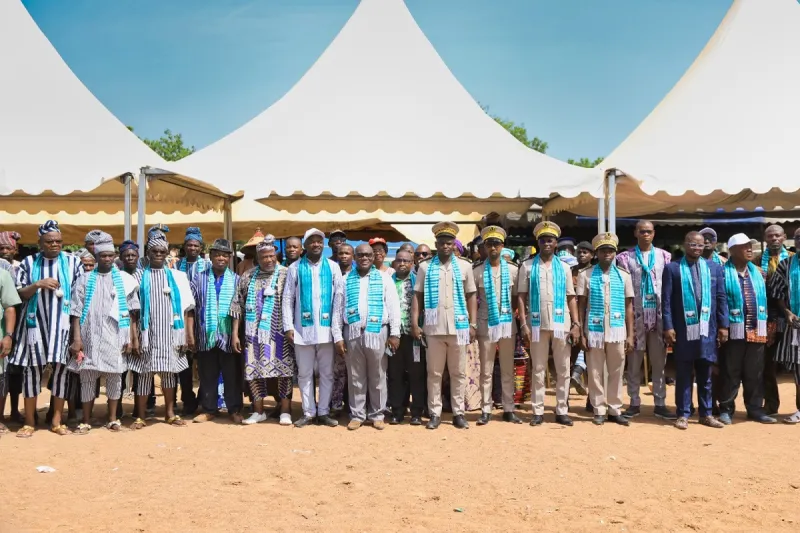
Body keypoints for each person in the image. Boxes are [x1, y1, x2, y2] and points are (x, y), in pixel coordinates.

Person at [10, 220, 82, 438]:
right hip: (34, 327)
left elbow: (78, 301)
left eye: (59, 241)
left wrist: (77, 335)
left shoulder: (73, 262)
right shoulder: (28, 263)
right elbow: (19, 294)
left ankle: (56, 421)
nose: (55, 245)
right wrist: (38, 284)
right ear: (40, 243)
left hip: (62, 329)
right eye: (49, 241)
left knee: (61, 374)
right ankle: (30, 421)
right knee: (31, 372)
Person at [68, 232, 138, 433]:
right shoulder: (84, 279)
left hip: (116, 335)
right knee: (88, 377)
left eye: (110, 255)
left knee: (115, 377)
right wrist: (77, 338)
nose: (107, 259)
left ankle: (113, 418)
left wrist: (131, 337)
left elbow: (132, 311)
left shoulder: (124, 279)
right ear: (96, 257)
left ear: (114, 255)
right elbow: (75, 311)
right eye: (102, 256)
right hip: (89, 336)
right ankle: (86, 420)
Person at [411, 221, 477, 430]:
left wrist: (473, 323)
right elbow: (417, 296)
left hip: (459, 328)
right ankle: (435, 413)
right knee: (434, 373)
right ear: (436, 244)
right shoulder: (424, 267)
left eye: (449, 243)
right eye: (442, 243)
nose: (445, 246)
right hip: (433, 328)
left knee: (458, 372)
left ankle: (458, 413)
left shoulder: (466, 266)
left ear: (454, 244)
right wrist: (415, 323)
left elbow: (471, 295)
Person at [128, 229, 196, 429]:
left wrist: (186, 335)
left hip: (171, 334)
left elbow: (186, 308)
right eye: (154, 251)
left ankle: (169, 413)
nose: (158, 254)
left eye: (162, 252)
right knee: (144, 374)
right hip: (146, 334)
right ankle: (140, 416)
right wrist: (134, 338)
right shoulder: (138, 276)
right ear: (148, 254)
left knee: (169, 374)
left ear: (167, 253)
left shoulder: (177, 276)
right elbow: (132, 310)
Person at [663, 231, 729, 430]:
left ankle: (706, 413)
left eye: (701, 245)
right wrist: (668, 326)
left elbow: (721, 298)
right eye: (693, 244)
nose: (697, 248)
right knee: (683, 372)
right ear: (685, 244)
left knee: (706, 372)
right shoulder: (672, 269)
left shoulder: (715, 268)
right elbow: (666, 301)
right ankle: (683, 413)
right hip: (683, 329)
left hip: (707, 329)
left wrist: (724, 325)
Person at [332, 244, 400, 430]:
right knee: (355, 376)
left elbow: (394, 307)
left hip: (378, 332)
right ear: (354, 257)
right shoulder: (345, 280)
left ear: (373, 257)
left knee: (378, 374)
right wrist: (338, 336)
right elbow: (337, 310)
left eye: (368, 255)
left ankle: (377, 414)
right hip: (352, 333)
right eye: (360, 255)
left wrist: (395, 334)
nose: (364, 258)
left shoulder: (385, 279)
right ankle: (357, 414)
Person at [518, 222, 579, 426]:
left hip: (562, 323)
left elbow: (571, 297)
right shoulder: (527, 266)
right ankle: (538, 410)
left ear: (556, 244)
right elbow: (521, 296)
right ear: (538, 242)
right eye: (543, 239)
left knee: (563, 368)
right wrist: (524, 324)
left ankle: (562, 410)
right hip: (537, 324)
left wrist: (576, 323)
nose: (546, 243)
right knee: (539, 368)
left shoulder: (565, 267)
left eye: (550, 240)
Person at [282, 228, 343, 427]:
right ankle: (308, 412)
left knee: (326, 373)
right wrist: (288, 326)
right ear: (305, 245)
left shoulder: (333, 267)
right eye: (312, 241)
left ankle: (323, 412)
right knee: (304, 373)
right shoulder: (295, 268)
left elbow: (339, 300)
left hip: (327, 331)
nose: (316, 244)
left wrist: (337, 330)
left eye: (319, 241)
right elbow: (288, 298)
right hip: (301, 330)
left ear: (323, 245)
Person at [615, 220, 675, 420]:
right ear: (635, 233)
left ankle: (660, 402)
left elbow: (669, 289)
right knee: (633, 361)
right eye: (642, 231)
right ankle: (633, 402)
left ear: (654, 233)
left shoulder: (665, 257)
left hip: (658, 316)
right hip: (635, 316)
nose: (645, 235)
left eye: (649, 231)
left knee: (659, 363)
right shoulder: (624, 258)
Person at [231, 236, 294, 426]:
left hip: (280, 333)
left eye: (271, 256)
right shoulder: (247, 276)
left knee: (284, 371)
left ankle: (285, 411)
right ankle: (258, 411)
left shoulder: (287, 274)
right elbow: (237, 306)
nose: (268, 260)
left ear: (276, 256)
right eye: (264, 257)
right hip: (253, 334)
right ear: (258, 258)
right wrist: (235, 333)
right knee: (253, 371)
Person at [577, 233, 634, 426]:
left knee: (617, 370)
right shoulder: (586, 274)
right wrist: (581, 331)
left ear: (615, 253)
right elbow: (581, 304)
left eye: (610, 250)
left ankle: (615, 408)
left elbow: (628, 307)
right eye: (603, 251)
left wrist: (631, 334)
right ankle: (598, 408)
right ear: (597, 253)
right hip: (593, 329)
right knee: (594, 371)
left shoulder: (624, 276)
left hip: (617, 330)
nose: (607, 254)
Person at [717, 233, 775, 424]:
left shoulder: (759, 273)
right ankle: (726, 409)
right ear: (732, 250)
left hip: (756, 330)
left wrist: (770, 328)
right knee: (730, 372)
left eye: (751, 245)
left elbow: (768, 302)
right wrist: (722, 327)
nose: (750, 249)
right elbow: (720, 302)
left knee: (755, 372)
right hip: (733, 331)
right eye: (744, 246)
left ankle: (755, 409)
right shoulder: (722, 273)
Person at [190, 239, 243, 424]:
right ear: (210, 256)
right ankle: (209, 410)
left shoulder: (236, 280)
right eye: (217, 254)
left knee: (232, 375)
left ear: (229, 258)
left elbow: (237, 310)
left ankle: (234, 409)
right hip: (206, 334)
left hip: (228, 336)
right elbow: (192, 309)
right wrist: (192, 335)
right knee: (207, 375)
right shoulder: (199, 278)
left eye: (225, 255)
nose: (221, 257)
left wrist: (235, 335)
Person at [474, 226, 521, 425]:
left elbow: (516, 298)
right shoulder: (476, 271)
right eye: (489, 244)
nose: (493, 247)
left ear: (502, 246)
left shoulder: (513, 270)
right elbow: (472, 299)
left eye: (496, 244)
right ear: (484, 247)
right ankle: (486, 408)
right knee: (486, 369)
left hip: (507, 324)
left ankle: (508, 407)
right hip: (485, 324)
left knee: (508, 368)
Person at [388, 249, 426, 425]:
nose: (402, 263)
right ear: (394, 263)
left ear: (412, 264)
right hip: (393, 336)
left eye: (406, 261)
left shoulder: (418, 282)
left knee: (416, 374)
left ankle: (417, 411)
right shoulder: (387, 282)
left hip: (414, 336)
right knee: (395, 374)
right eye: (399, 260)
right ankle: (397, 410)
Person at [174, 227, 209, 415]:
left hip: (203, 317)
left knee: (203, 362)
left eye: (196, 245)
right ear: (184, 246)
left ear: (200, 247)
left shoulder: (208, 265)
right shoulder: (176, 265)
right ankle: (187, 398)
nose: (192, 248)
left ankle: (204, 396)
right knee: (183, 362)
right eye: (189, 245)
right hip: (181, 318)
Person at [767, 226, 800, 424]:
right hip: (795, 324)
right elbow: (777, 293)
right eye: (798, 238)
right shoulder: (786, 265)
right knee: (798, 369)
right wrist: (787, 312)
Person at [758, 224, 791, 416]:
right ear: (765, 239)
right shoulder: (754, 261)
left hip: (791, 317)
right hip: (767, 318)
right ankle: (771, 405)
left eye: (777, 235)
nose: (774, 239)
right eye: (770, 236)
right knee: (767, 364)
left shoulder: (794, 260)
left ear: (784, 237)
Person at [0, 230, 23, 427]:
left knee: (14, 373)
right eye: (2, 248)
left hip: (19, 327)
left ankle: (14, 410)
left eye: (9, 248)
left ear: (15, 250)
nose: (6, 251)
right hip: (6, 325)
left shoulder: (18, 268)